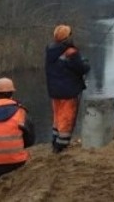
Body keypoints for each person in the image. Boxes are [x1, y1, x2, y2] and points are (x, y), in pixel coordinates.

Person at [45, 24, 90, 153]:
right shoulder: (71, 52)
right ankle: (61, 146)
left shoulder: (50, 50)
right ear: (67, 37)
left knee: (57, 117)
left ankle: (55, 141)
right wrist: (85, 63)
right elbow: (81, 68)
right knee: (67, 118)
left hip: (54, 91)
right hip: (68, 91)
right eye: (70, 34)